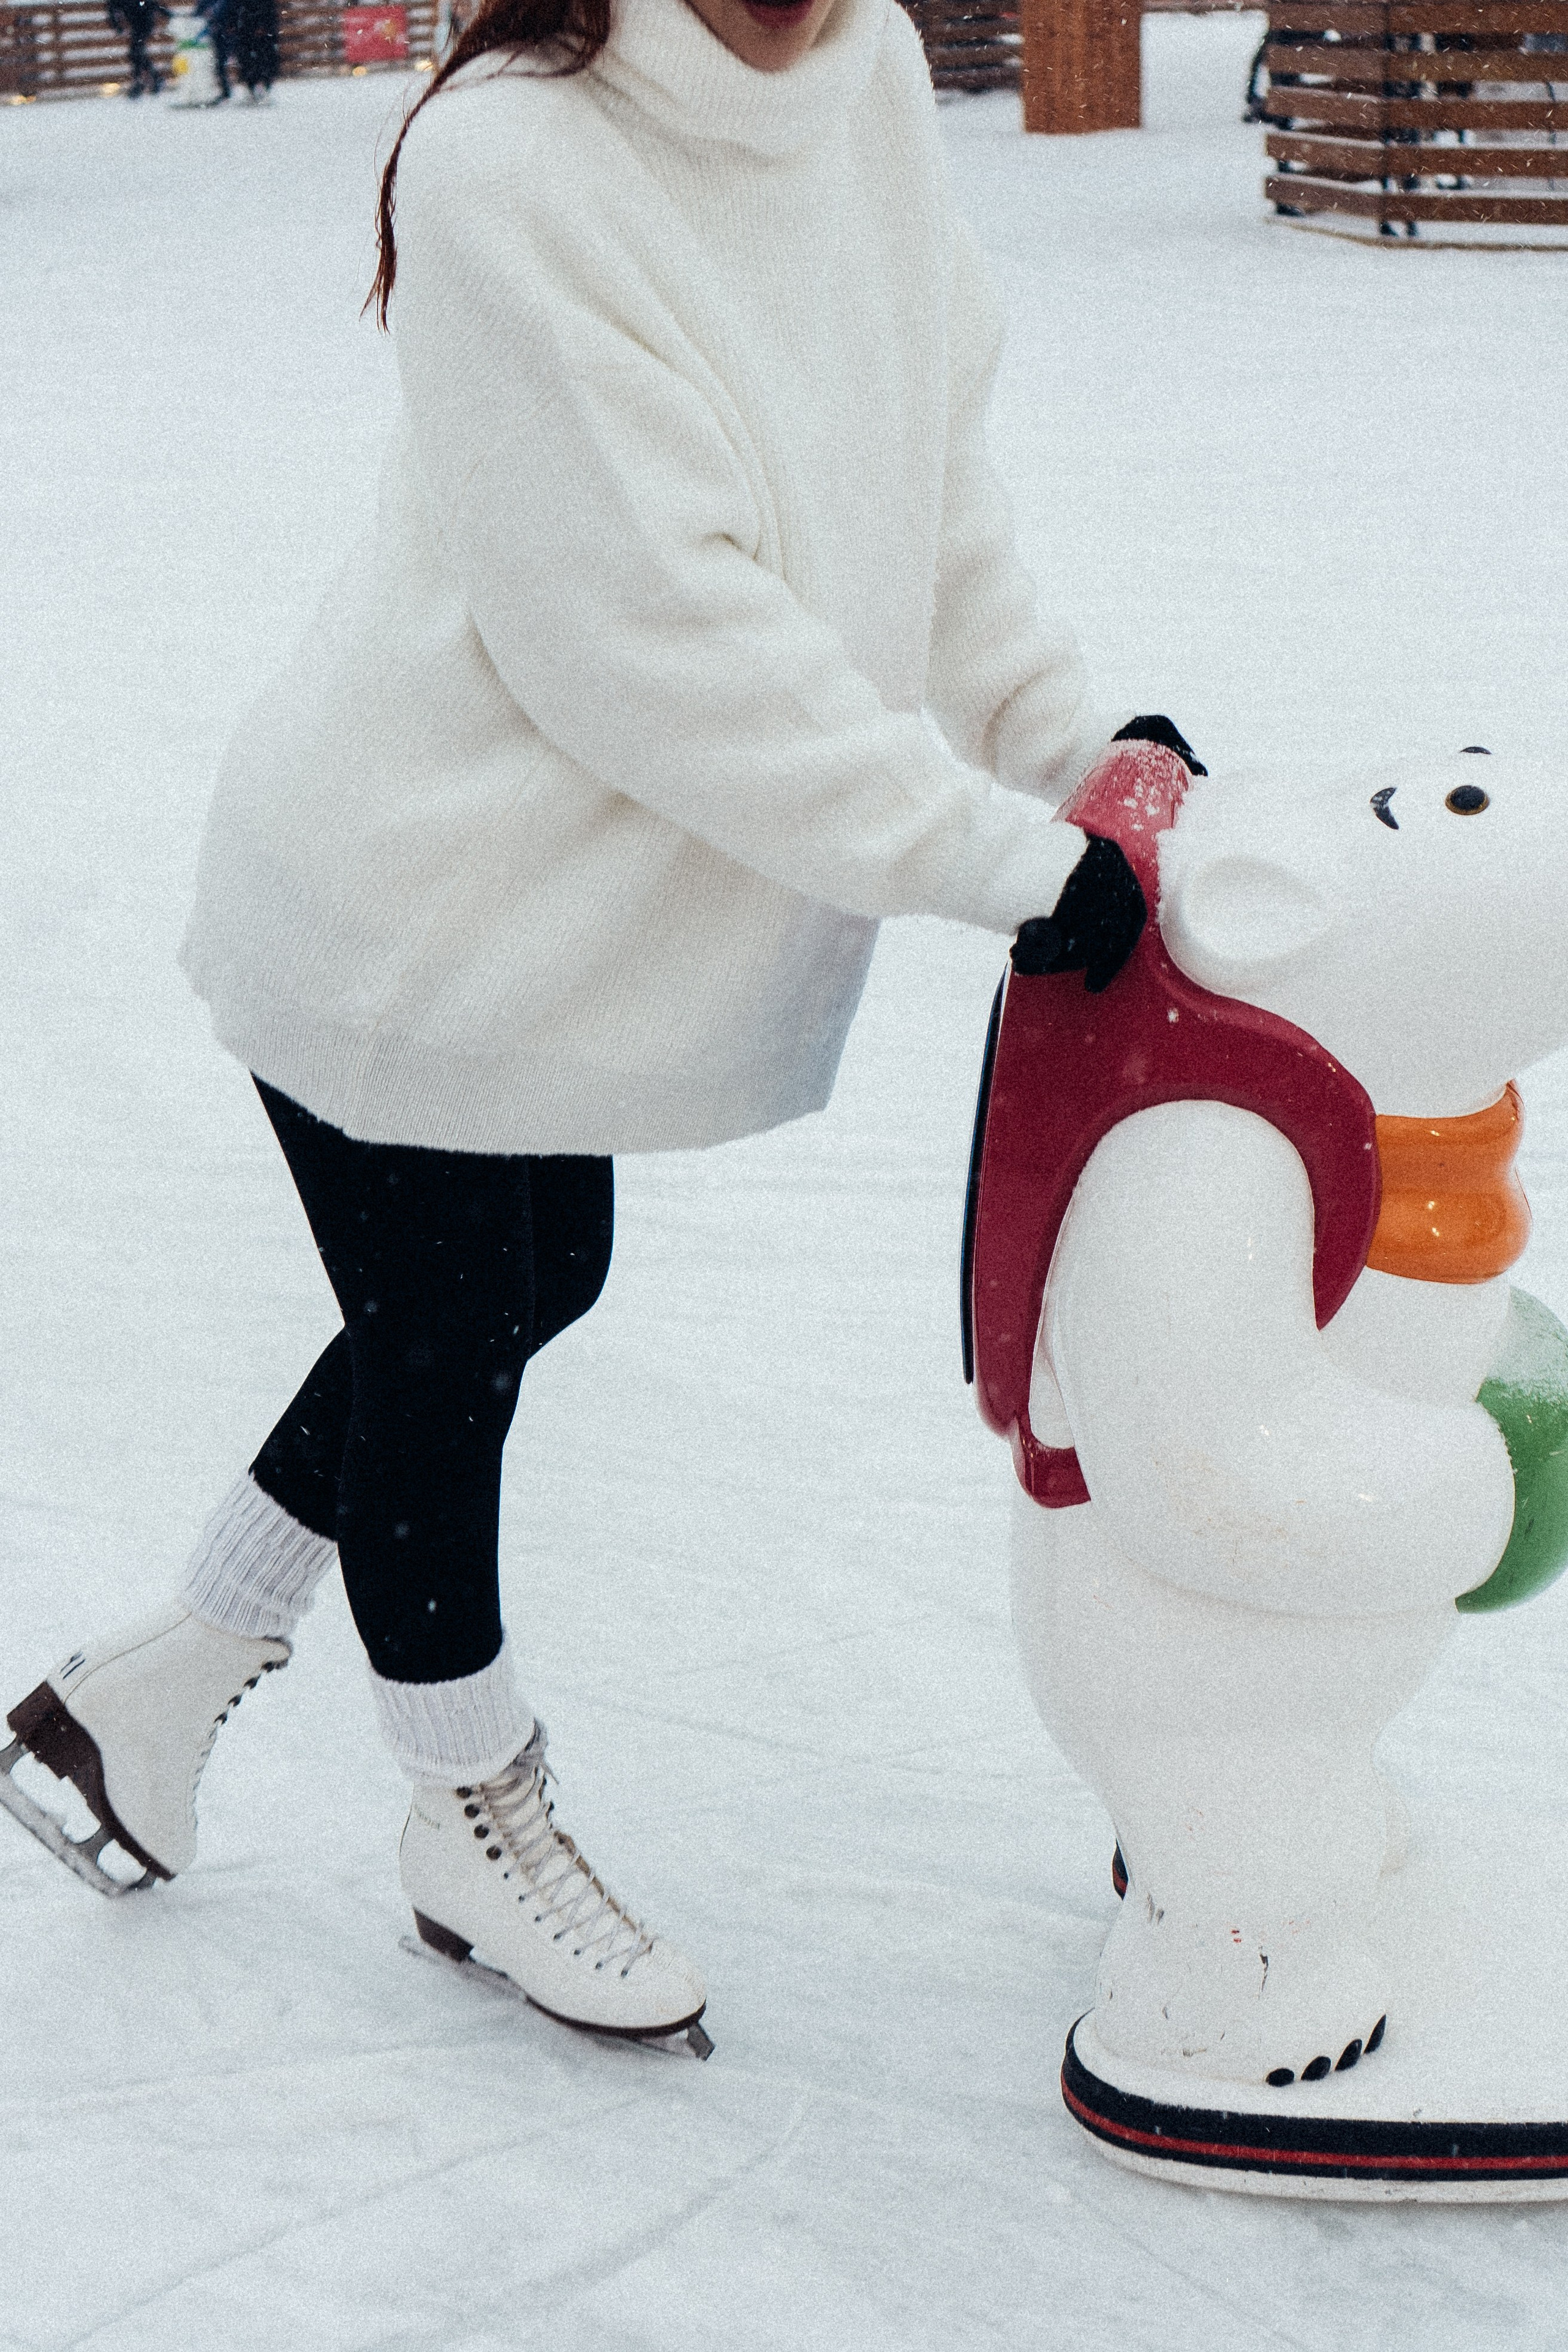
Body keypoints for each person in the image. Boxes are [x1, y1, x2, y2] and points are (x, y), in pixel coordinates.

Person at [1, 0, 1191, 2054]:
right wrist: (994, 854)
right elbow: (655, 639)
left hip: (578, 926)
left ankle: (155, 1685)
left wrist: (1071, 740)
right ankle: (471, 1805)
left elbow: (931, 477)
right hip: (416, 907)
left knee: (525, 1278)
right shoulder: (514, 164)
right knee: (457, 1324)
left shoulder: (870, 81)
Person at [107, 0, 168, 94]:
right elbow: (113, 10)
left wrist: (163, 12)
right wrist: (118, 27)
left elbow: (150, 3)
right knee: (137, 54)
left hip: (143, 21)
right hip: (135, 22)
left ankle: (143, 81)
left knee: (136, 53)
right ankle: (153, 79)